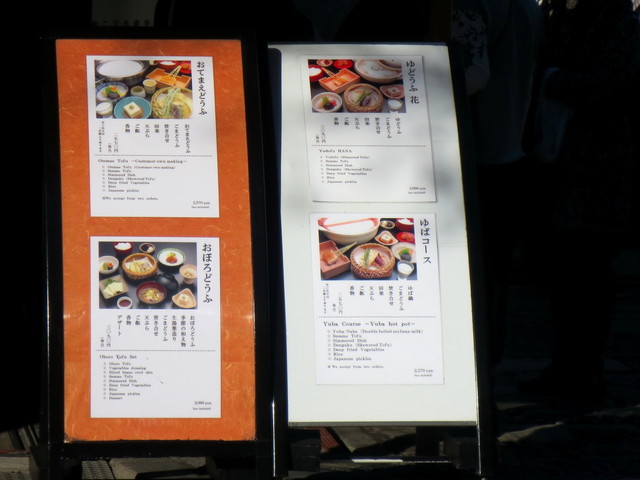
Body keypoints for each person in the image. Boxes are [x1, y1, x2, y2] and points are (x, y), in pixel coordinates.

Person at [518, 0, 640, 399]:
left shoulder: (617, 22)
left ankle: (583, 367)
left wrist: (548, 78)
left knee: (588, 267)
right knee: (568, 270)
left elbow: (610, 84)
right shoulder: (567, 15)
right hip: (567, 160)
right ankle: (569, 366)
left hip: (599, 164)